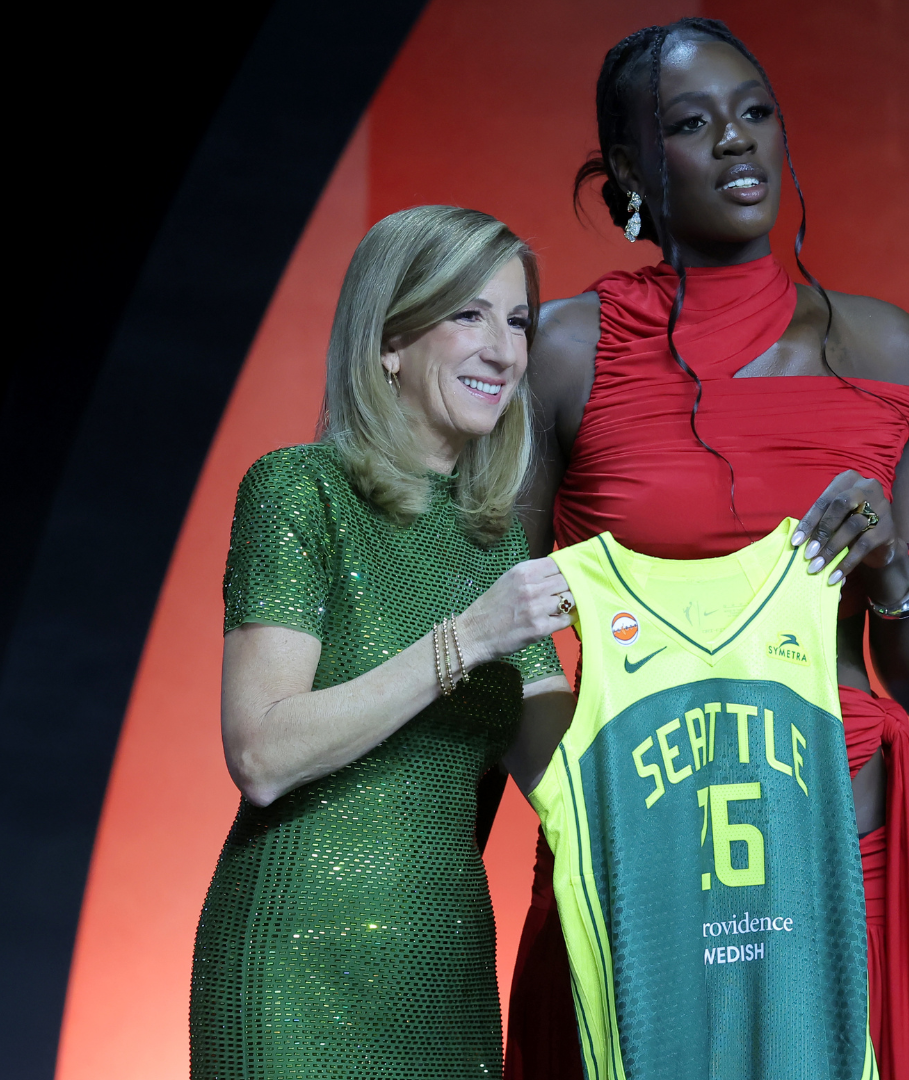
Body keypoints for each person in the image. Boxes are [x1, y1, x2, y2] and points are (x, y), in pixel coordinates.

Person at [506, 19, 909, 1080]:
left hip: (841, 859)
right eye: (690, 122)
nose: (734, 139)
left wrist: (890, 570)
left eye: (756, 112)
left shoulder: (882, 347)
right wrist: (580, 810)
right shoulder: (567, 352)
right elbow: (507, 630)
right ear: (630, 169)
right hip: (641, 858)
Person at [191, 206, 579, 1079]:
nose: (504, 351)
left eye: (519, 322)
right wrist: (470, 636)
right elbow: (261, 754)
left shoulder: (494, 547)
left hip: (446, 977)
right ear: (390, 341)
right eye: (469, 315)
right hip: (295, 968)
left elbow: (568, 783)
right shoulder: (300, 490)